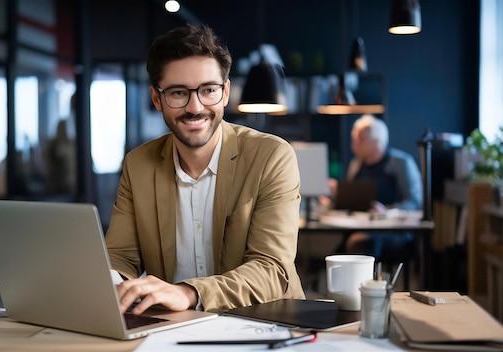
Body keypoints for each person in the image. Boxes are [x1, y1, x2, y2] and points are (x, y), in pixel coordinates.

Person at [105, 24, 305, 315]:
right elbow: (120, 256)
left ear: (225, 93)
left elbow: (272, 269)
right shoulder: (138, 164)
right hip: (176, 328)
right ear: (156, 99)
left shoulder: (271, 156)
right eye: (177, 93)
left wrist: (188, 292)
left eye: (208, 90)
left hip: (268, 324)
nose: (195, 107)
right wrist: (110, 282)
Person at [332, 114, 422, 258]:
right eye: (353, 140)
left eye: (359, 140)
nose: (353, 146)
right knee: (335, 254)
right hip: (358, 227)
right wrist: (335, 196)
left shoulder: (402, 163)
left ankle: (365, 280)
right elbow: (352, 201)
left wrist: (386, 210)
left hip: (394, 231)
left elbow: (415, 202)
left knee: (360, 243)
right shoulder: (356, 165)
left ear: (377, 141)